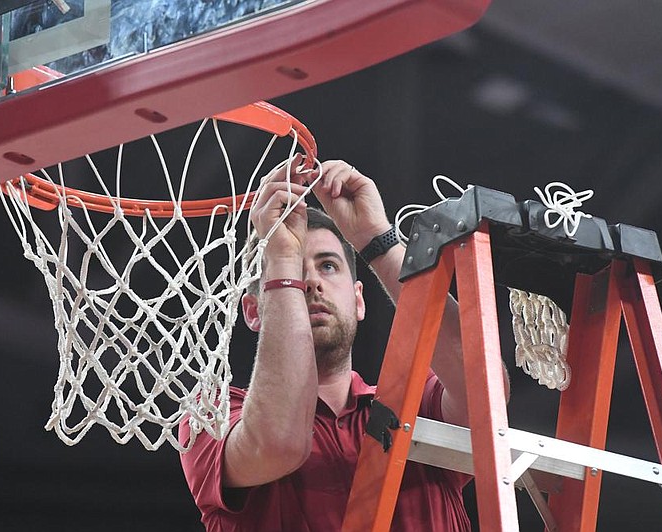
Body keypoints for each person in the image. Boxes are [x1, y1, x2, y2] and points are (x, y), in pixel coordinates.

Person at [180, 158, 507, 530]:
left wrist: (377, 240)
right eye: (294, 271)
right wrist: (280, 257)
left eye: (328, 266)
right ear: (254, 312)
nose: (311, 282)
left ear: (359, 300)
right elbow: (278, 443)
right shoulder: (211, 417)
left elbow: (486, 390)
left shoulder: (414, 404)